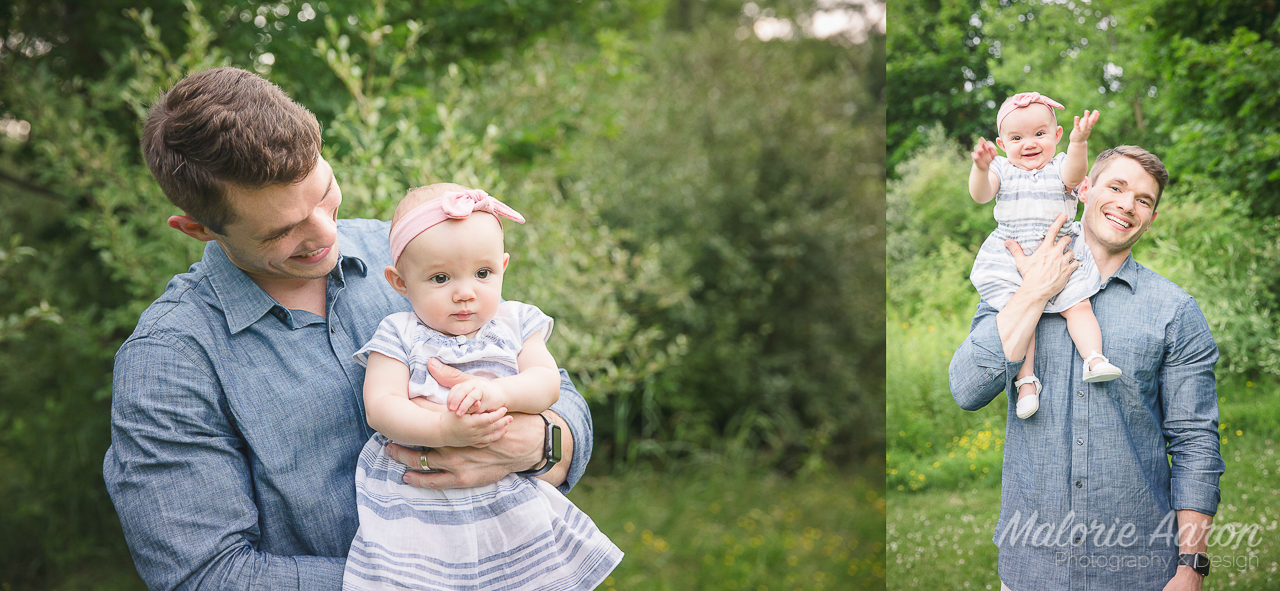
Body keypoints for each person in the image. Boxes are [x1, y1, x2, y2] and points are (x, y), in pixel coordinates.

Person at [102, 67, 594, 590]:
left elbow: (561, 396)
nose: (323, 233)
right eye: (283, 229)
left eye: (323, 193)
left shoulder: (412, 253)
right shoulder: (170, 359)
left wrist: (539, 442)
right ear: (198, 228)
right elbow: (205, 576)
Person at [950, 146, 1225, 591]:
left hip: (1140, 572)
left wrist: (1190, 565)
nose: (1126, 205)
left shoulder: (1174, 311)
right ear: (1083, 189)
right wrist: (1034, 291)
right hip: (1032, 570)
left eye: (1144, 200)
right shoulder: (1011, 290)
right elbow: (967, 388)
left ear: (1151, 217)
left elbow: (1195, 443)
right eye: (1115, 187)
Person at [343, 184, 622, 589]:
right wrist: (444, 431)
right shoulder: (398, 333)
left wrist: (501, 394)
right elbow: (381, 405)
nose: (465, 292)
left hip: (503, 494)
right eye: (440, 278)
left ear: (503, 266)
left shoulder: (516, 322)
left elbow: (546, 384)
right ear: (400, 283)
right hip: (419, 500)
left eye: (483, 273)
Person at [968, 91, 1120, 420]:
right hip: (1013, 257)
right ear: (1002, 143)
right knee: (1024, 316)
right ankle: (1026, 381)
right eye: (1017, 137)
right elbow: (981, 195)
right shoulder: (1002, 169)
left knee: (1078, 305)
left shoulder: (1060, 166)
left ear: (1056, 135)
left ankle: (1094, 358)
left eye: (1039, 134)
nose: (1029, 143)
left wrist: (1080, 142)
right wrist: (980, 169)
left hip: (1061, 253)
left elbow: (1075, 176)